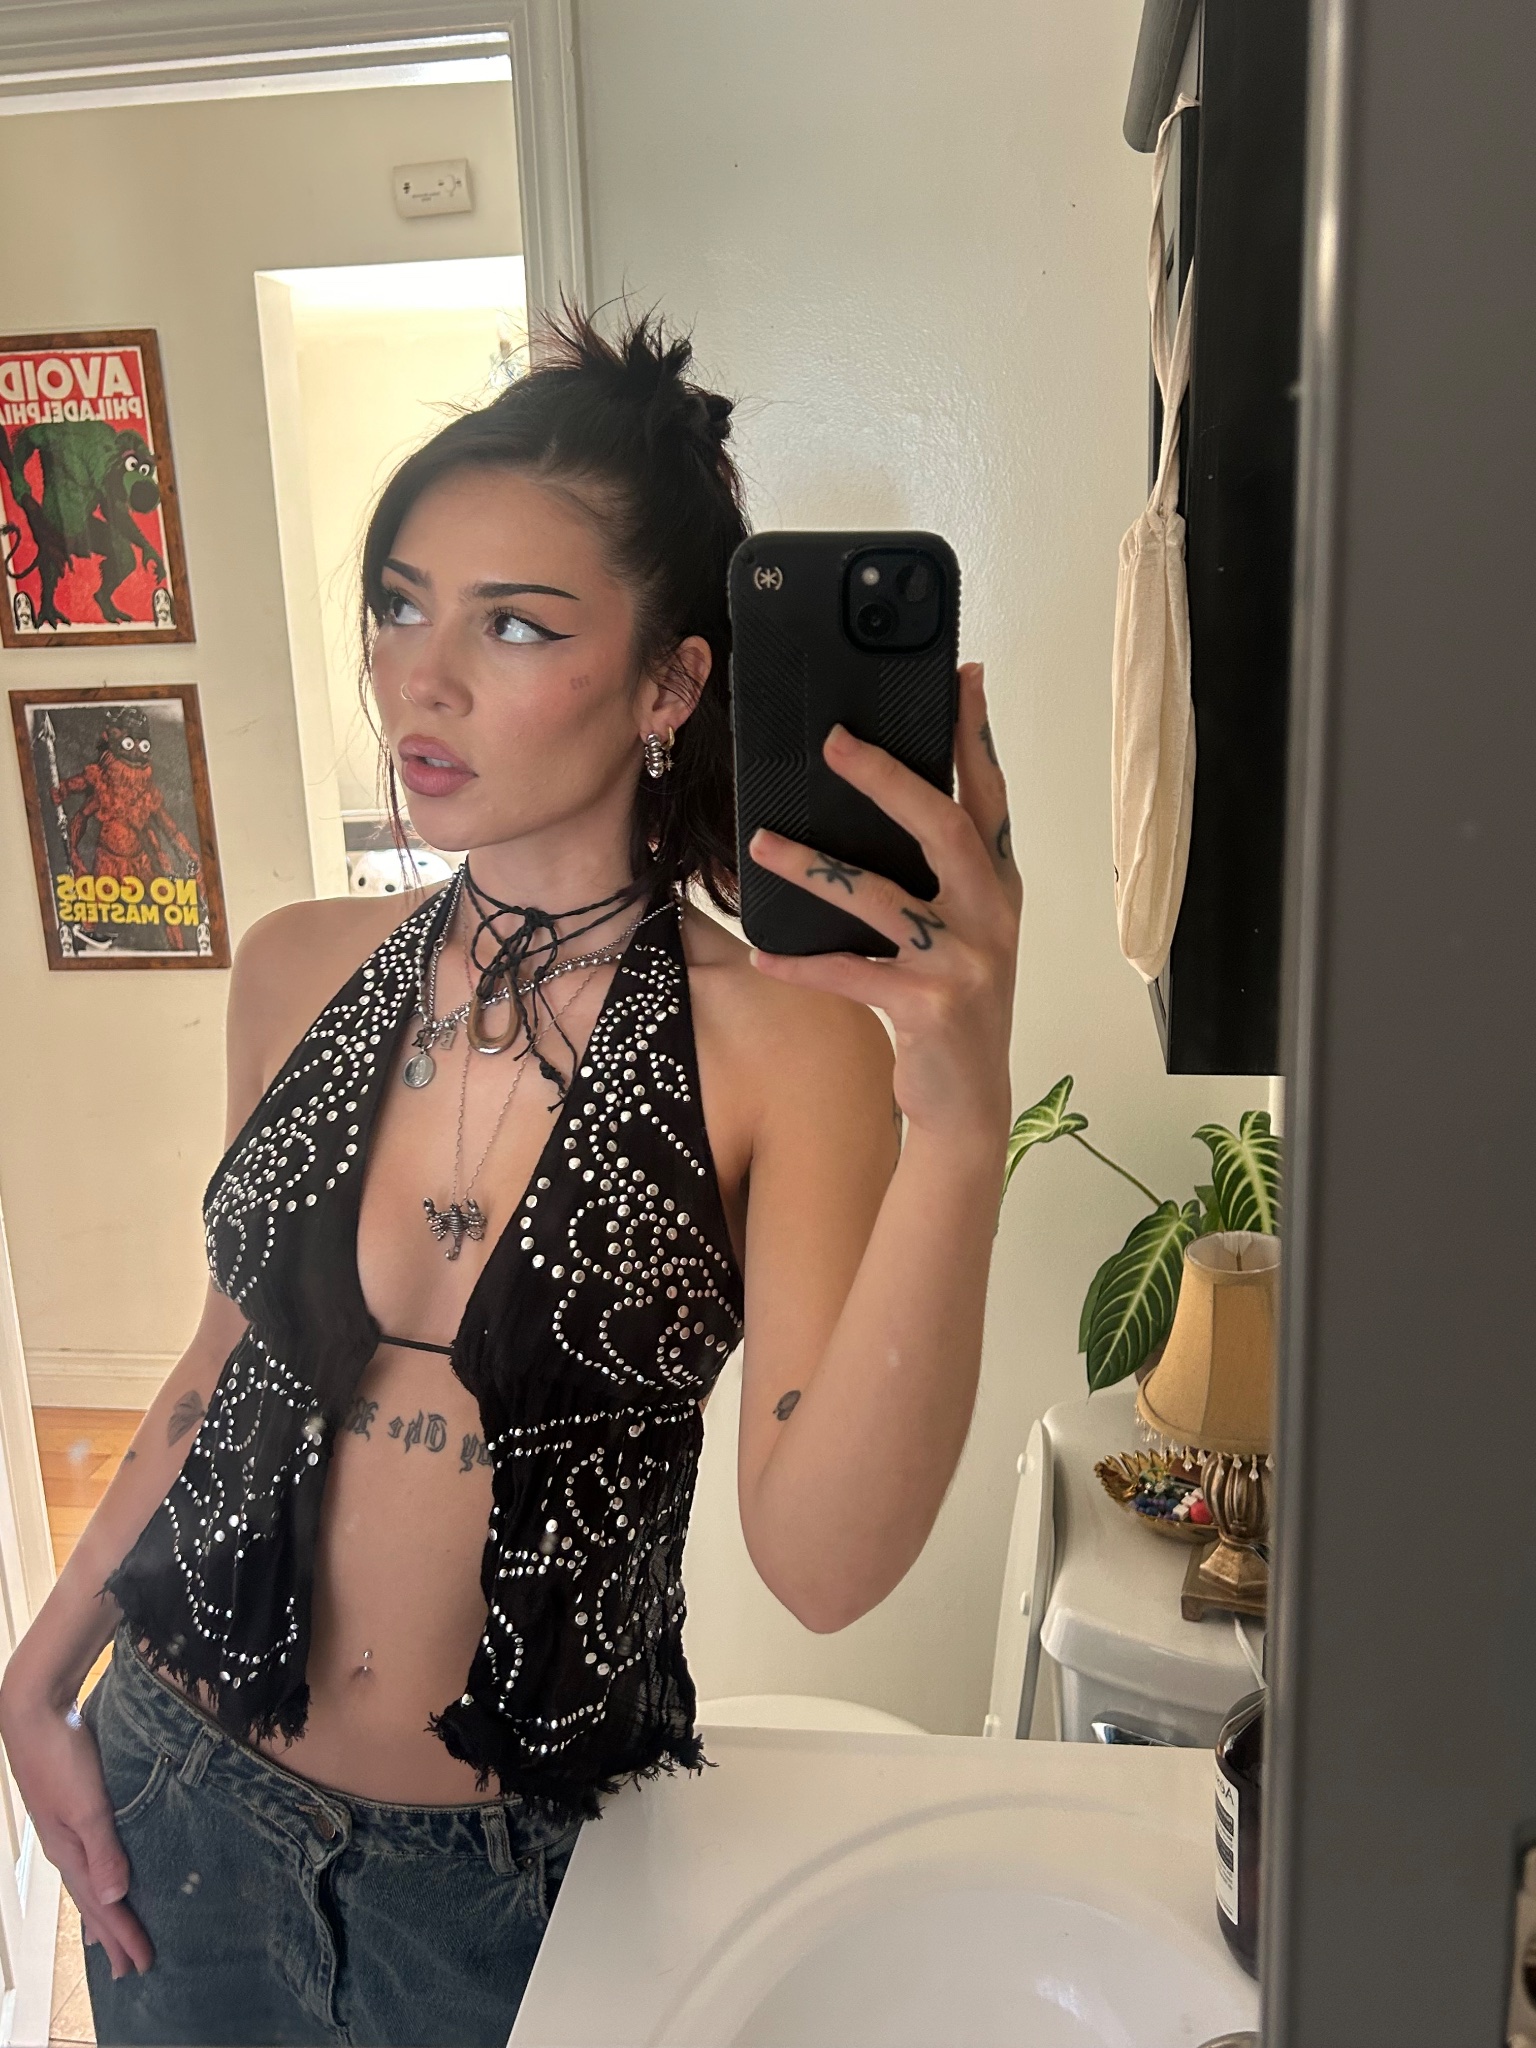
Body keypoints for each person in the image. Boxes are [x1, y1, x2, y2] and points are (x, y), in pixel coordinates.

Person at [0, 309, 1022, 2047]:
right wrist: (38, 1677)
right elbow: (214, 1370)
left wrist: (965, 1123)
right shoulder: (296, 965)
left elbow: (824, 1566)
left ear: (670, 686)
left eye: (517, 625)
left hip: (506, 1898)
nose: (423, 679)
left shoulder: (787, 1045)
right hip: (181, 1806)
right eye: (402, 605)